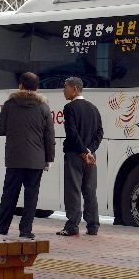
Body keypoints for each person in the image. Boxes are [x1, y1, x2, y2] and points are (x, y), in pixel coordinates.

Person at [0, 72, 55, 239]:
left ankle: (1, 228)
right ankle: (25, 230)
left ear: (20, 86)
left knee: (9, 194)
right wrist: (49, 159)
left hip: (15, 159)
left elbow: (0, 129)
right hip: (36, 160)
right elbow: (49, 136)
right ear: (37, 88)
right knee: (31, 196)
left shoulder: (10, 104)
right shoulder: (43, 108)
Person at [56, 77, 104, 236]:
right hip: (91, 157)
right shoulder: (94, 108)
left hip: (74, 155)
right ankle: (93, 226)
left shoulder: (69, 108)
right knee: (90, 190)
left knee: (73, 190)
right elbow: (99, 133)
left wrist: (83, 151)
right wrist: (90, 150)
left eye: (65, 87)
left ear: (75, 89)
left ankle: (72, 226)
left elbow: (72, 133)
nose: (64, 90)